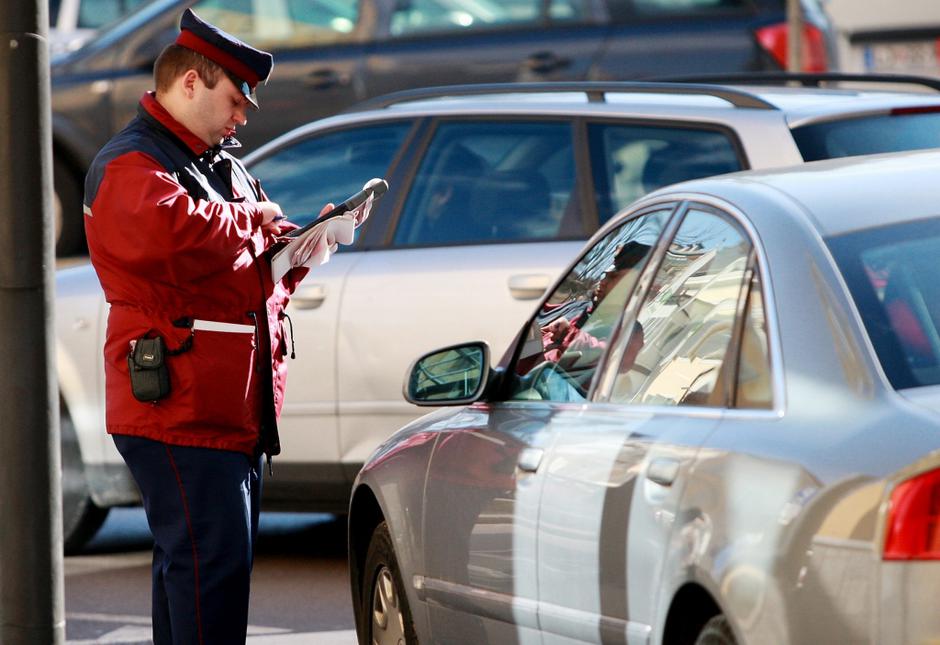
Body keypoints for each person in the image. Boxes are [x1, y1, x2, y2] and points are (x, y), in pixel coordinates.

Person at [82, 9, 367, 644]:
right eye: (235, 100)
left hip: (222, 408)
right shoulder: (131, 162)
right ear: (189, 84)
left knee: (197, 576)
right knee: (210, 579)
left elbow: (240, 270)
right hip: (182, 409)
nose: (242, 117)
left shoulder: (218, 162)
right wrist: (254, 221)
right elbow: (169, 232)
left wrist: (300, 248)